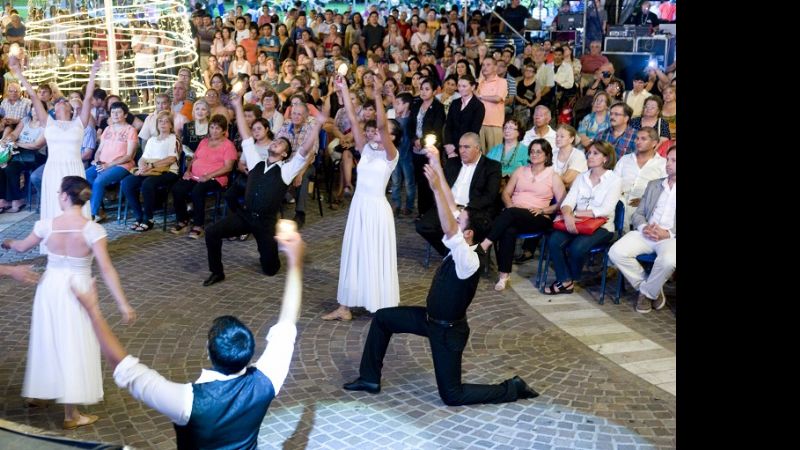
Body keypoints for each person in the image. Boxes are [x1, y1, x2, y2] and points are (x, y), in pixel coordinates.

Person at [70, 226, 306, 448]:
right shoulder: (267, 380)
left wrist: (93, 311)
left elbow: (124, 368)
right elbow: (287, 323)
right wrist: (295, 262)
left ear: (208, 350)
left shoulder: (187, 402)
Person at [343, 144, 539, 406]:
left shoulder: (468, 259)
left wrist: (434, 188)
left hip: (448, 332)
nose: (455, 219)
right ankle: (369, 378)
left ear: (468, 234)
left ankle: (511, 388)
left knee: (452, 395)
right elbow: (450, 205)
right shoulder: (466, 243)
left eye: (461, 221)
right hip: (429, 319)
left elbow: (448, 225)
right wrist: (436, 164)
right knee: (383, 318)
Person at [2, 176, 136, 430]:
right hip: (79, 289)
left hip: (49, 286)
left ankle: (39, 392)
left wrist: (8, 243)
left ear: (65, 196)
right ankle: (70, 413)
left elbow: (20, 247)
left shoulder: (46, 225)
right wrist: (123, 304)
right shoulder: (92, 230)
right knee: (73, 343)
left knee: (47, 337)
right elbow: (107, 269)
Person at [202, 93, 322, 286]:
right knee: (212, 232)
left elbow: (304, 151)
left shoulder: (286, 170)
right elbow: (245, 134)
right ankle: (217, 272)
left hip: (266, 223)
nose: (276, 142)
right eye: (276, 141)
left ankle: (275, 244)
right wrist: (237, 105)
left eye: (281, 143)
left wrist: (317, 125)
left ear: (284, 153)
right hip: (245, 216)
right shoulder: (256, 161)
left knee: (270, 269)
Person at [322, 76, 401, 321]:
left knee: (373, 253)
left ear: (392, 137)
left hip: (377, 209)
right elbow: (355, 121)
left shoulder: (391, 154)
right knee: (353, 253)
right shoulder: (366, 148)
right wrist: (344, 89)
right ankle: (344, 307)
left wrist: (377, 96)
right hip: (359, 206)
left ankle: (378, 304)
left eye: (384, 131)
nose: (376, 132)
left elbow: (380, 125)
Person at [10, 56, 99, 245]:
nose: (61, 102)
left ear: (69, 107)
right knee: (55, 203)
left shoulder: (79, 123)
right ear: (54, 109)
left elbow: (89, 98)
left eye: (64, 101)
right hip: (53, 169)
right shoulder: (47, 122)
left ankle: (79, 242)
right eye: (58, 102)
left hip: (74, 169)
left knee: (76, 205)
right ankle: (55, 241)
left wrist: (92, 73)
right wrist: (18, 73)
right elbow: (34, 96)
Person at [481, 139, 566, 291]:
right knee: (508, 230)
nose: (534, 154)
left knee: (509, 215)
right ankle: (503, 276)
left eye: (538, 151)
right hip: (515, 213)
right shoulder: (520, 171)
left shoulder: (553, 175)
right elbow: (506, 193)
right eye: (532, 151)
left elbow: (562, 203)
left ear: (547, 155)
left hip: (538, 217)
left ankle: (485, 244)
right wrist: (511, 207)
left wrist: (543, 210)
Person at [543, 140, 622, 295]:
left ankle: (571, 278)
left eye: (595, 153)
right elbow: (568, 201)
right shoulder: (581, 177)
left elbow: (606, 210)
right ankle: (565, 280)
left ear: (605, 158)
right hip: (576, 222)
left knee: (577, 248)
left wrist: (576, 214)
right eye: (589, 153)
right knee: (554, 241)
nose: (589, 156)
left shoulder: (614, 180)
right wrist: (567, 214)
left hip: (602, 226)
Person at [609, 144, 675, 314]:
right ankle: (651, 288)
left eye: (673, 161)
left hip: (671, 237)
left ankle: (645, 293)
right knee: (616, 252)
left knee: (668, 261)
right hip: (646, 232)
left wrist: (668, 232)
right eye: (668, 160)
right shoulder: (654, 184)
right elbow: (638, 213)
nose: (668, 164)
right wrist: (644, 226)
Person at [416, 132, 501, 257]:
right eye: (460, 147)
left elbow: (490, 196)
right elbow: (442, 186)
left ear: (477, 148)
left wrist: (466, 209)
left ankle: (462, 256)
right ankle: (451, 253)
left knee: (471, 230)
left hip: (473, 210)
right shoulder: (452, 163)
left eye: (466, 147)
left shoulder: (491, 166)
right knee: (423, 226)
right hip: (448, 206)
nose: (462, 150)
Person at [120, 110, 180, 232]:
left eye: (166, 122)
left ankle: (149, 218)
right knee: (127, 182)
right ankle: (139, 216)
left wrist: (151, 165)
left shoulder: (174, 138)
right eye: (160, 122)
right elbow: (143, 157)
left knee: (148, 183)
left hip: (168, 171)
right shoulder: (152, 140)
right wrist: (142, 165)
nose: (163, 124)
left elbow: (171, 158)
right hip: (150, 169)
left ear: (171, 125)